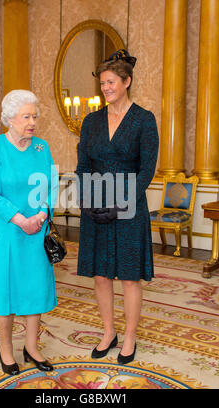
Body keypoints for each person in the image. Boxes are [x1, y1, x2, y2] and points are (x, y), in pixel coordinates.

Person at [76, 49, 159, 365]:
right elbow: (83, 164)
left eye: (111, 82)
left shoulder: (143, 119)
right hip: (96, 205)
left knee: (128, 276)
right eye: (102, 83)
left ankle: (129, 337)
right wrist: (86, 199)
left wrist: (122, 204)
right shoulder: (91, 120)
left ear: (126, 81)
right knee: (100, 275)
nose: (105, 88)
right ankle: (108, 332)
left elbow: (147, 169)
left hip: (129, 208)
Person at [0, 89, 59, 375]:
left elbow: (51, 185)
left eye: (34, 116)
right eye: (26, 116)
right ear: (10, 118)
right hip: (6, 233)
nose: (32, 122)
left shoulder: (42, 147)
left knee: (35, 286)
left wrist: (39, 215)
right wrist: (21, 220)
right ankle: (5, 347)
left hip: (36, 230)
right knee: (6, 288)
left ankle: (31, 346)